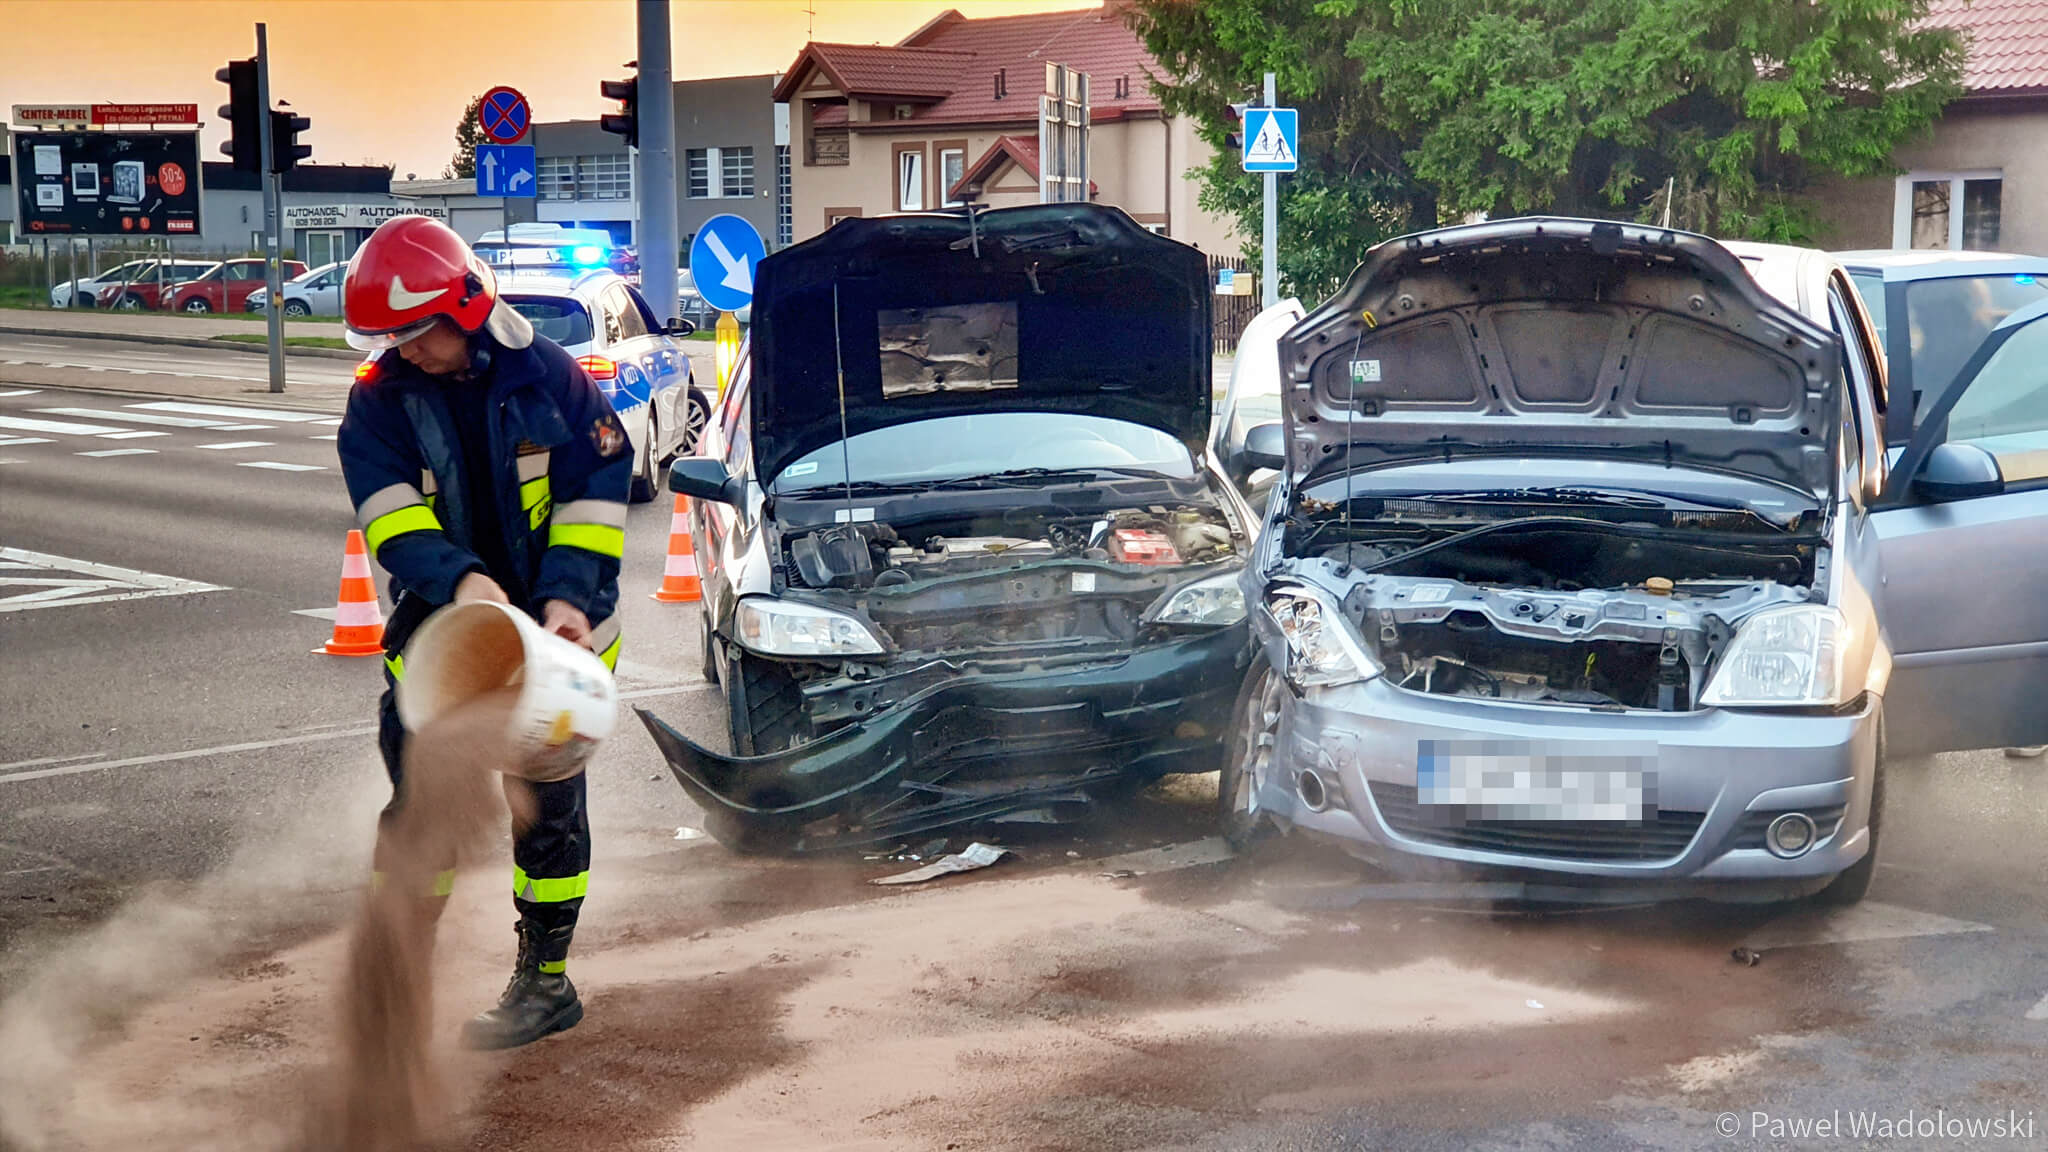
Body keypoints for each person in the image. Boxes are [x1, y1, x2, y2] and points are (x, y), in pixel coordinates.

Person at [335, 215, 630, 1049]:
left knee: (545, 813)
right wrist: (461, 580)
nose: (402, 350)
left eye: (414, 332)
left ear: (462, 308)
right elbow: (389, 517)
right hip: (444, 635)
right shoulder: (378, 399)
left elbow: (599, 487)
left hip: (558, 636)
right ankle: (397, 976)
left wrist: (568, 601)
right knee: (419, 809)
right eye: (388, 336)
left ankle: (545, 983)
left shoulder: (552, 379)